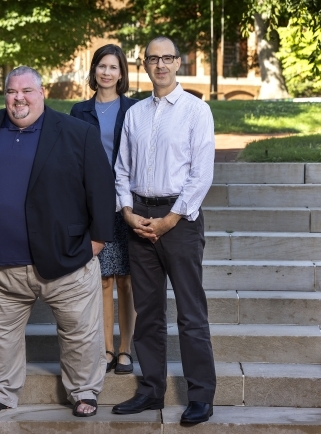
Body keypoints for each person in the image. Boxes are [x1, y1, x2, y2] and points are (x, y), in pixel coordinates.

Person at [0, 66, 116, 417]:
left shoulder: (77, 133)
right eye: (12, 91)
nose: (19, 98)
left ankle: (84, 390)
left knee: (81, 334)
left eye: (27, 91)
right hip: (1, 263)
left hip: (67, 260)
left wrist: (99, 240)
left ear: (42, 93)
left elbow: (102, 188)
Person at [112, 36, 216, 424]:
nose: (161, 65)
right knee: (148, 312)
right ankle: (152, 390)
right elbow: (121, 169)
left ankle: (201, 397)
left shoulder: (195, 110)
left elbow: (201, 173)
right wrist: (126, 211)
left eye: (167, 58)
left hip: (181, 221)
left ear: (178, 62)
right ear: (144, 64)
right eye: (153, 59)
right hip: (139, 218)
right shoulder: (135, 114)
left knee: (191, 312)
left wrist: (171, 218)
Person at [70, 44, 138, 375]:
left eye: (113, 67)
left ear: (122, 73)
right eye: (101, 66)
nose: (106, 72)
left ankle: (126, 349)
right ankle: (107, 348)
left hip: (126, 202)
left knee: (126, 280)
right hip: (94, 205)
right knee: (103, 280)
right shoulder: (78, 111)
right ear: (94, 70)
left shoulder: (135, 109)